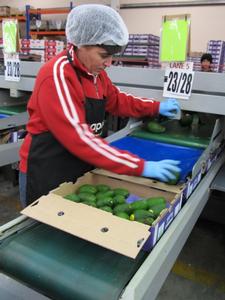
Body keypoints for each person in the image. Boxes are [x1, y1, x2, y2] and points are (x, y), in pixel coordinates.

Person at [19, 4, 181, 207]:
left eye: (112, 56)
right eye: (104, 55)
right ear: (81, 44)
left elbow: (117, 100)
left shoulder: (96, 75)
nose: (109, 63)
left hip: (78, 166)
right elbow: (79, 138)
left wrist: (156, 107)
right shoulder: (57, 76)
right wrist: (140, 166)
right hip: (47, 170)